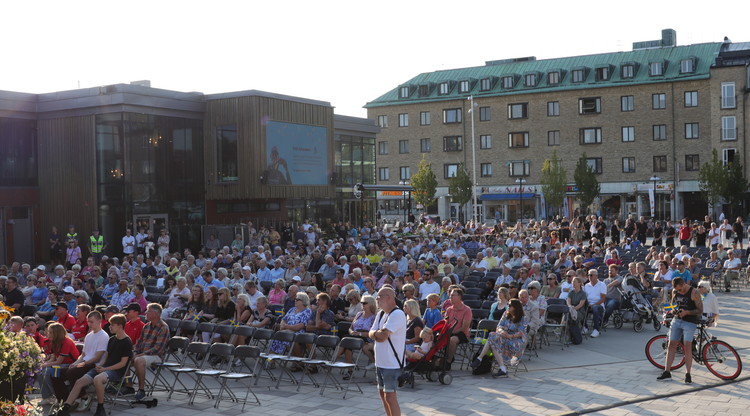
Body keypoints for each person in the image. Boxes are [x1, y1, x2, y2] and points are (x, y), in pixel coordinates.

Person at [55, 314, 132, 416]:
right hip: (104, 368)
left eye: (112, 325)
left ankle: (100, 408)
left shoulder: (127, 341)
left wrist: (105, 368)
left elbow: (123, 363)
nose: (110, 327)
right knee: (79, 382)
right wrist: (101, 365)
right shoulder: (112, 339)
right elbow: (106, 357)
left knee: (98, 379)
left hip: (116, 371)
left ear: (120, 326)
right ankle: (65, 408)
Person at [52, 311, 109, 413]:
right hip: (84, 362)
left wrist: (81, 364)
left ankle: (84, 396)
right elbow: (83, 355)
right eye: (88, 322)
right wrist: (76, 363)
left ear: (100, 321)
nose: (89, 324)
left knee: (71, 373)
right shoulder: (89, 336)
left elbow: (97, 357)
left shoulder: (103, 336)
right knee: (56, 374)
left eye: (92, 322)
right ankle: (66, 401)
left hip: (93, 365)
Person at [657, 277, 703, 384]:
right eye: (676, 290)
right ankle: (667, 371)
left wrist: (687, 312)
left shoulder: (694, 292)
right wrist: (673, 311)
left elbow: (700, 310)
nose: (678, 292)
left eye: (680, 289)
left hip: (690, 321)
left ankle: (688, 373)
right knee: (671, 344)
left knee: (687, 346)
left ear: (683, 284)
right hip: (677, 320)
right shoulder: (675, 291)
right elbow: (673, 305)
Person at [369, 287, 406, 416]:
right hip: (380, 362)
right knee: (382, 394)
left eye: (379, 297)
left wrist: (377, 334)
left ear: (388, 297)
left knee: (390, 397)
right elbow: (371, 332)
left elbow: (384, 337)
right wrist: (376, 334)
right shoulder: (380, 314)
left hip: (391, 363)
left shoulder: (397, 314)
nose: (377, 300)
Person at [471, 298, 528, 377]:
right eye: (508, 305)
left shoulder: (523, 317)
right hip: (504, 336)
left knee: (492, 341)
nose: (508, 306)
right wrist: (502, 331)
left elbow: (521, 332)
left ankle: (480, 358)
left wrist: (510, 335)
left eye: (510, 305)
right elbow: (499, 326)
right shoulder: (506, 314)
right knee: (492, 336)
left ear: (516, 307)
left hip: (516, 340)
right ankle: (502, 369)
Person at [131, 303, 170, 401]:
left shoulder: (163, 327)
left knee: (139, 360)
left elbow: (157, 348)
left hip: (156, 356)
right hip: (143, 354)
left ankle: (141, 389)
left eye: (148, 311)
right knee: (125, 357)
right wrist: (135, 352)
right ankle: (127, 386)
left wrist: (140, 355)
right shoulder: (146, 326)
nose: (145, 313)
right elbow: (139, 342)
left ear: (155, 313)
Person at [39, 322, 80, 404]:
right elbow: (53, 357)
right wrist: (44, 363)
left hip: (71, 365)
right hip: (61, 364)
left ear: (57, 333)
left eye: (50, 332)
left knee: (48, 372)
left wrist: (44, 365)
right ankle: (47, 397)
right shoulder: (54, 341)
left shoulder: (66, 342)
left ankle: (58, 396)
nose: (48, 334)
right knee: (39, 371)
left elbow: (59, 361)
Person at [583, 269, 606, 338]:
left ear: (596, 276)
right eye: (588, 275)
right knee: (581, 307)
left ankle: (596, 329)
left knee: (595, 308)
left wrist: (593, 305)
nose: (589, 276)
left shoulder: (602, 285)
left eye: (591, 275)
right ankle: (585, 327)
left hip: (599, 305)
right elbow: (584, 297)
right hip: (588, 304)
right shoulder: (586, 285)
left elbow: (603, 299)